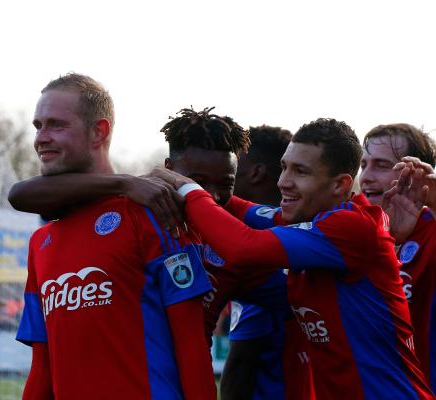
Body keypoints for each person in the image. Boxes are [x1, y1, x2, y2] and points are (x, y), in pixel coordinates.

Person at [152, 118, 434, 399]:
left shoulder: (353, 226)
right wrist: (153, 181)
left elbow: (243, 247)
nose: (283, 182)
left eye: (300, 172)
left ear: (340, 185)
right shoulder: (311, 222)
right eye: (284, 167)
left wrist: (186, 187)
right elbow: (236, 207)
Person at [13, 74, 216, 400]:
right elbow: (42, 368)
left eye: (56, 125)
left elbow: (192, 346)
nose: (41, 137)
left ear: (100, 131)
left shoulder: (150, 212)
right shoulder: (41, 242)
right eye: (38, 126)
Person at [222, 125, 314, 400]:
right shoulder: (306, 238)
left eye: (233, 164)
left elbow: (241, 360)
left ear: (255, 172)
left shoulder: (263, 252)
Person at [359, 123, 436, 392]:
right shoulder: (353, 232)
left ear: (417, 176)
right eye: (363, 164)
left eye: (380, 165)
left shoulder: (431, 233)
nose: (366, 176)